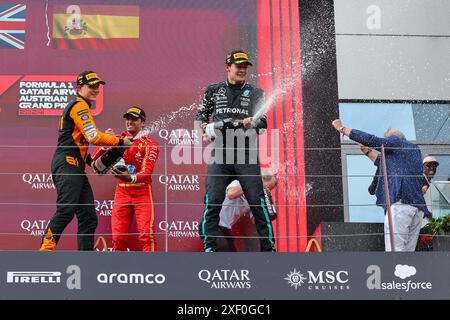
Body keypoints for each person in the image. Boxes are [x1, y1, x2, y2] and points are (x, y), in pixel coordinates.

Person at [40, 71, 133, 251]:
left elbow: (77, 141)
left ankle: (85, 258)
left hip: (76, 166)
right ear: (79, 88)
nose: (96, 90)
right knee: (66, 210)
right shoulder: (79, 106)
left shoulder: (81, 106)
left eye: (97, 86)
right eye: (91, 86)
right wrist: (119, 141)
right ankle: (45, 250)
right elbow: (93, 136)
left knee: (88, 216)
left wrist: (92, 162)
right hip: (68, 164)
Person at [196, 50, 276, 252]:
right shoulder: (213, 90)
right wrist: (211, 127)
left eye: (245, 67)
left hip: (246, 155)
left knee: (258, 204)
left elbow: (263, 123)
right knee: (212, 201)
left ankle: (270, 250)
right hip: (221, 154)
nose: (242, 70)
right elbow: (200, 120)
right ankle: (209, 248)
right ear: (228, 67)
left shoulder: (256, 92)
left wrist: (253, 123)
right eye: (238, 66)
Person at [332, 120, 430, 252]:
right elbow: (382, 162)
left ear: (391, 139)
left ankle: (393, 272)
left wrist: (343, 129)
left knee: (395, 250)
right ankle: (404, 272)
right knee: (408, 252)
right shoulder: (414, 150)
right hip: (417, 208)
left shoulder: (395, 142)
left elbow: (372, 140)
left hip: (402, 204)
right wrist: (367, 152)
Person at [92, 106, 159, 251]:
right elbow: (94, 160)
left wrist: (130, 178)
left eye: (134, 119)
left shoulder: (150, 144)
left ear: (143, 123)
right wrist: (105, 143)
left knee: (147, 236)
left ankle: (153, 269)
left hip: (142, 192)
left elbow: (147, 172)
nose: (130, 122)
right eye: (127, 119)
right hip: (121, 192)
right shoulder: (117, 139)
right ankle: (118, 269)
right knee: (118, 237)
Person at [217, 171, 278, 252]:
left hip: (225, 230)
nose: (267, 190)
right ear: (261, 180)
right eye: (268, 187)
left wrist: (267, 213)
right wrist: (253, 184)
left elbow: (255, 220)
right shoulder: (239, 182)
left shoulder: (255, 197)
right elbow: (230, 194)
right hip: (214, 226)